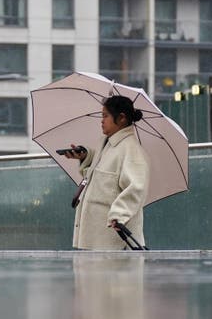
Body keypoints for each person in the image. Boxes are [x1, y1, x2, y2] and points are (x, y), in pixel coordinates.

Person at [62, 95, 150, 250]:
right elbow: (99, 179)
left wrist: (119, 215)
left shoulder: (131, 150)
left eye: (105, 116)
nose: (101, 120)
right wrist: (85, 156)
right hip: (96, 238)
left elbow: (136, 188)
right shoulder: (107, 145)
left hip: (114, 241)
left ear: (121, 118)